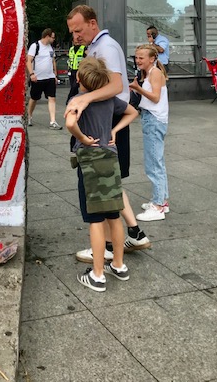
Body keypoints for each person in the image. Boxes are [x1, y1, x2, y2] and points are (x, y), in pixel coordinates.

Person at [66, 5, 151, 256]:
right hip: (111, 120)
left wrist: (85, 98)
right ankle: (133, 233)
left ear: (93, 23)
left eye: (79, 30)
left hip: (107, 121)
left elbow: (116, 86)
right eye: (72, 32)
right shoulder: (97, 46)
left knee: (100, 184)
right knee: (110, 182)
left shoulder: (106, 47)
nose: (75, 36)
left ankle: (106, 247)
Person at [66, 57, 139, 292]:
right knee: (113, 215)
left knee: (95, 220)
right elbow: (132, 112)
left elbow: (70, 123)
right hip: (111, 158)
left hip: (90, 162)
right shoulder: (109, 100)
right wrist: (114, 131)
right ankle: (118, 264)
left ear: (78, 78)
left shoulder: (78, 99)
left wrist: (82, 138)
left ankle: (97, 275)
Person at [130, 44, 170, 221]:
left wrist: (137, 88)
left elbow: (155, 97)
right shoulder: (150, 73)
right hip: (152, 118)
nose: (138, 60)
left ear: (152, 59)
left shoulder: (154, 73)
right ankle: (161, 201)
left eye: (141, 57)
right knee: (156, 162)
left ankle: (158, 206)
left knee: (154, 164)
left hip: (153, 120)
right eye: (136, 57)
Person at [27, 28, 62, 130]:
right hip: (38, 78)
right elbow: (28, 60)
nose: (54, 39)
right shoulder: (35, 46)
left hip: (50, 77)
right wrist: (31, 74)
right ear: (47, 36)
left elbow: (53, 60)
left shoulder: (50, 47)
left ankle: (53, 121)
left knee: (52, 98)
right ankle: (29, 116)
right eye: (53, 37)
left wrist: (55, 75)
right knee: (34, 98)